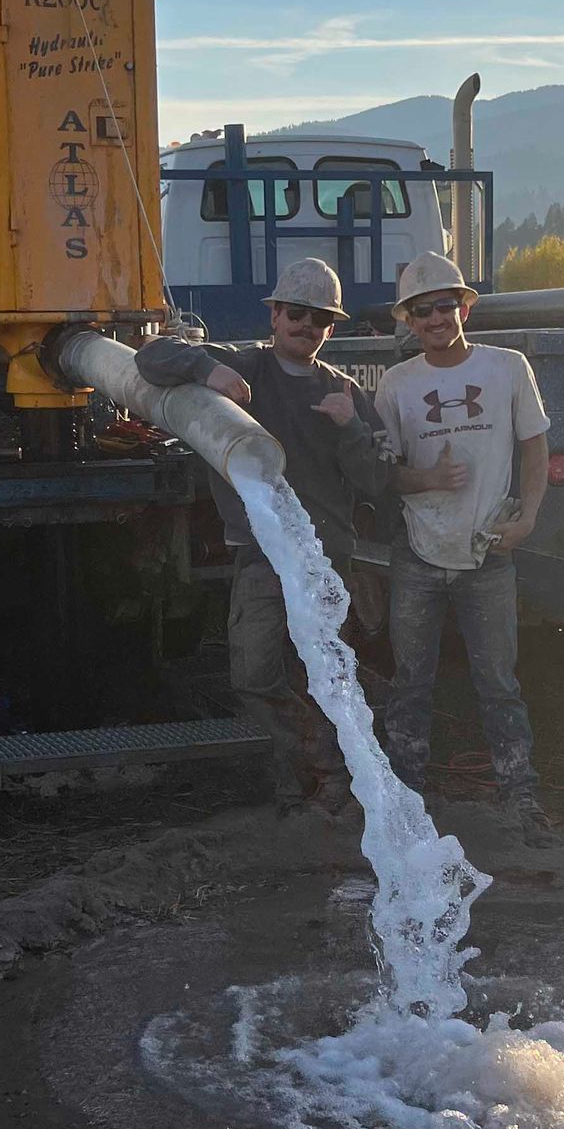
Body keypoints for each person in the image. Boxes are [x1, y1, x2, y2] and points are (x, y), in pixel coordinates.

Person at [135, 257, 391, 816]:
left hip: (325, 560)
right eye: (295, 312)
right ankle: (311, 767)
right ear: (274, 314)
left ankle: (321, 791)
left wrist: (350, 428)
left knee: (324, 675)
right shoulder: (241, 367)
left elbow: (376, 481)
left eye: (320, 318)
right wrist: (207, 372)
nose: (306, 325)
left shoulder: (345, 394)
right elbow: (150, 357)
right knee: (253, 673)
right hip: (260, 554)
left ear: (332, 327)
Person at [373, 251, 552, 844]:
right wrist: (427, 481)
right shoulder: (397, 384)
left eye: (444, 305)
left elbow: (534, 448)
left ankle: (520, 799)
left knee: (499, 681)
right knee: (410, 682)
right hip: (420, 554)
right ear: (408, 321)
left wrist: (527, 517)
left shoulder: (508, 368)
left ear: (464, 307)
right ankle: (403, 804)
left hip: (489, 553)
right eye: (422, 311)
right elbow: (387, 473)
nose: (435, 318)